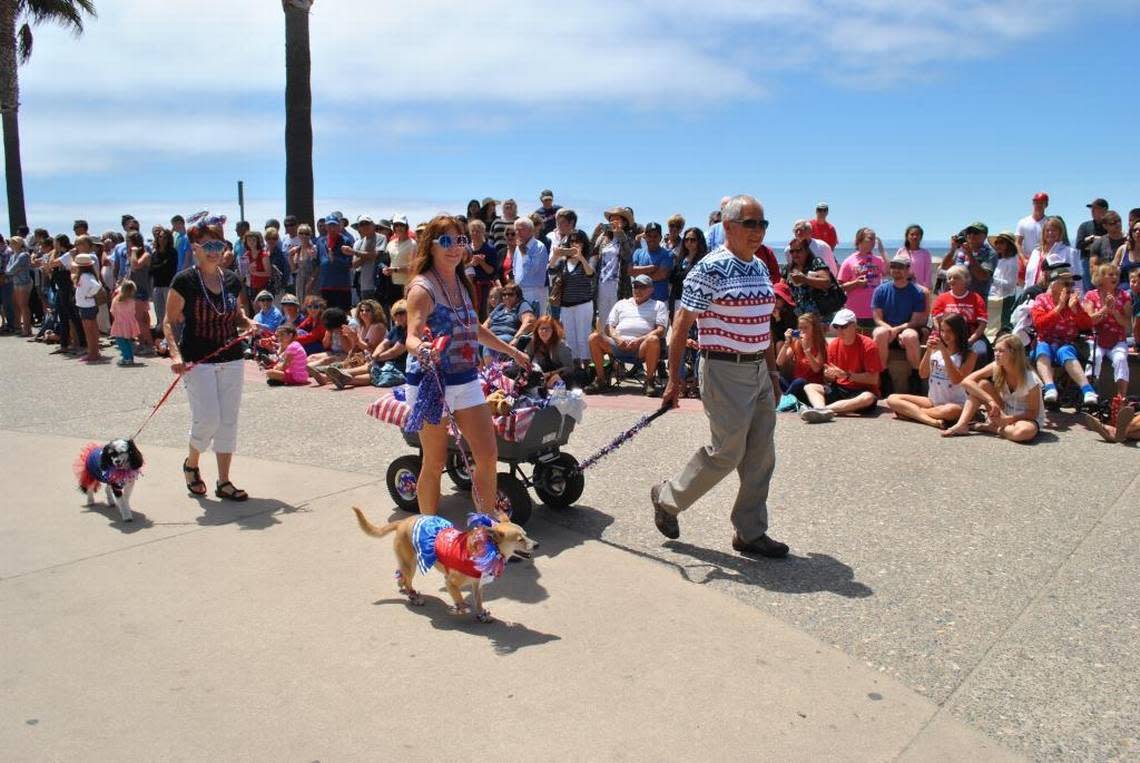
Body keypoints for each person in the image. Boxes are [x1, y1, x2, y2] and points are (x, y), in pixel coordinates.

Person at [652, 193, 787, 558]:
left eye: (762, 224)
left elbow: (764, 326)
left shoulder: (759, 267)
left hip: (758, 367)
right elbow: (680, 327)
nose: (758, 231)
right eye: (750, 224)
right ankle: (667, 498)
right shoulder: (709, 268)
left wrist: (773, 373)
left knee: (761, 454)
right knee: (728, 452)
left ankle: (750, 532)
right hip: (723, 368)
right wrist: (673, 379)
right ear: (728, 227)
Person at [402, 215, 530, 518]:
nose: (455, 247)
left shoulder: (461, 280)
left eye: (459, 240)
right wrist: (422, 348)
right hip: (431, 384)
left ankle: (485, 529)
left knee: (487, 456)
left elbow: (472, 327)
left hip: (466, 379)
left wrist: (510, 350)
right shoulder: (422, 288)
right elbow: (411, 334)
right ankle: (428, 530)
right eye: (446, 241)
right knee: (434, 462)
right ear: (430, 246)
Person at [164, 221, 255, 501]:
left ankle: (224, 481)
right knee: (207, 420)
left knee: (228, 421)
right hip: (198, 360)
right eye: (209, 246)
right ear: (195, 249)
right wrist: (176, 355)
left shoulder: (230, 279)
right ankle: (191, 464)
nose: (215, 251)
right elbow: (169, 323)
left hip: (232, 358)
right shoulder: (184, 281)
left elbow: (237, 316)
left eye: (219, 245)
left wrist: (250, 323)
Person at [942, 334, 1043, 442]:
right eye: (995, 350)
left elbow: (1033, 413)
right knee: (982, 386)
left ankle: (994, 428)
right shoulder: (996, 366)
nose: (996, 354)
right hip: (1003, 410)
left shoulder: (1030, 378)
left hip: (1024, 418)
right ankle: (961, 425)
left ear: (1013, 353)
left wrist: (1008, 419)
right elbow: (966, 381)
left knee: (1022, 433)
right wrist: (990, 401)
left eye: (1001, 351)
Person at [885, 313, 977, 429]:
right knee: (892, 399)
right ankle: (929, 420)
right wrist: (929, 351)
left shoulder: (970, 354)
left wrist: (944, 352)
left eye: (949, 331)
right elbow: (923, 374)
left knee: (950, 410)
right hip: (933, 401)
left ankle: (911, 413)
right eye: (942, 331)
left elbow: (957, 380)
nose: (945, 335)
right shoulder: (935, 350)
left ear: (958, 331)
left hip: (955, 404)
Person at [585, 274, 667, 396]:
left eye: (642, 287)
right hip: (618, 344)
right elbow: (609, 327)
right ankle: (600, 380)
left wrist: (639, 340)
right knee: (594, 338)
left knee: (654, 339)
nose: (637, 290)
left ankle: (649, 382)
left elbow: (661, 330)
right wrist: (617, 338)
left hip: (642, 347)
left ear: (651, 290)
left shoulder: (658, 305)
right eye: (635, 286)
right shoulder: (621, 304)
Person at [799, 308, 883, 422]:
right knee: (810, 387)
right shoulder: (833, 345)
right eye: (836, 326)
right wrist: (828, 375)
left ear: (854, 326)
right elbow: (829, 377)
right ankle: (822, 411)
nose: (839, 330)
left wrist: (847, 375)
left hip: (862, 390)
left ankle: (820, 410)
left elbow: (873, 379)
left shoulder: (868, 345)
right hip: (839, 388)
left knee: (868, 398)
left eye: (843, 326)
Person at [1030, 267, 1096, 406]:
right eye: (1066, 284)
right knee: (1043, 348)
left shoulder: (1074, 302)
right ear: (1054, 285)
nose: (1071, 288)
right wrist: (1059, 308)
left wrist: (1075, 311)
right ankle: (1050, 388)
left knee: (1064, 351)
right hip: (1045, 342)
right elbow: (1039, 324)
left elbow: (1087, 326)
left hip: (1068, 344)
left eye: (1072, 284)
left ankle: (1088, 391)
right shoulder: (1041, 300)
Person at [326, 299, 409, 389]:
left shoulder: (381, 327)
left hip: (400, 365)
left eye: (402, 313)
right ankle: (339, 376)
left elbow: (394, 352)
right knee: (371, 368)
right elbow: (383, 344)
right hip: (380, 360)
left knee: (373, 371)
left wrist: (376, 357)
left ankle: (343, 376)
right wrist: (375, 355)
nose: (364, 313)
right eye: (396, 314)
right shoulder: (396, 329)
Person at [547, 228, 595, 366]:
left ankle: (586, 368)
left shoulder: (588, 259)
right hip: (566, 305)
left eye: (578, 241)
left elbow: (590, 274)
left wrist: (581, 258)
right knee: (570, 339)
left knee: (583, 337)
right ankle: (574, 368)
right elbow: (550, 271)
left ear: (584, 244)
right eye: (572, 241)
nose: (575, 244)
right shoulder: (563, 262)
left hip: (583, 304)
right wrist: (556, 255)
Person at [1082, 263, 1130, 400]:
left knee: (1121, 359)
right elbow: (1089, 321)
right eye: (1111, 274)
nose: (1115, 277)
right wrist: (1105, 309)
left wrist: (1114, 311)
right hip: (1096, 339)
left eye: (1117, 274)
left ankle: (1122, 398)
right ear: (1101, 277)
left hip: (1117, 340)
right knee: (1095, 357)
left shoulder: (1124, 295)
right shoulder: (1091, 295)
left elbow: (1127, 324)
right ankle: (1090, 393)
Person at [871, 252, 926, 370]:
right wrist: (891, 330)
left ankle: (917, 373)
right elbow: (877, 318)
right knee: (879, 333)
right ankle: (882, 372)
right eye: (893, 266)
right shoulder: (880, 290)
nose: (896, 269)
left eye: (900, 267)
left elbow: (915, 321)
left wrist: (898, 329)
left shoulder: (917, 292)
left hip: (908, 329)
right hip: (887, 331)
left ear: (907, 269)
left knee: (909, 336)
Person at [593, 207, 636, 331]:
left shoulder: (629, 237)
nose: (613, 222)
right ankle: (603, 344)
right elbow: (592, 252)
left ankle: (616, 347)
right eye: (611, 220)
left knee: (618, 317)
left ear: (624, 222)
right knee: (603, 317)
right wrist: (595, 233)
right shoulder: (603, 238)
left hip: (619, 284)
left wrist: (620, 234)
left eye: (617, 220)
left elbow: (628, 255)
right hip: (602, 283)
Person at [931, 265, 989, 357]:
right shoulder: (941, 298)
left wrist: (971, 340)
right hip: (945, 333)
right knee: (934, 347)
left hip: (970, 334)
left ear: (966, 280)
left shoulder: (976, 298)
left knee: (980, 349)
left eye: (956, 277)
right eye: (949, 278)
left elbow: (982, 324)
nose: (951, 280)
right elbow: (936, 321)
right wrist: (944, 336)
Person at [837, 227, 887, 329]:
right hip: (855, 312)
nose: (873, 242)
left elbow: (889, 273)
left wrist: (882, 252)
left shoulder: (878, 260)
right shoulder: (849, 261)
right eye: (870, 238)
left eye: (874, 239)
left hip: (875, 311)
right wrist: (856, 283)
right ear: (859, 240)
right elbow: (839, 287)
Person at [776, 311, 826, 405]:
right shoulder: (796, 343)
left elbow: (816, 369)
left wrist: (806, 350)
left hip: (810, 388)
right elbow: (779, 362)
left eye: (806, 328)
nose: (802, 331)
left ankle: (784, 401)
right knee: (777, 378)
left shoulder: (820, 345)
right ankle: (788, 399)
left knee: (800, 381)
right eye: (800, 328)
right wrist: (787, 344)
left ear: (814, 329)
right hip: (795, 385)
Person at [782, 236, 837, 319]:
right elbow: (781, 288)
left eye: (798, 250)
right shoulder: (788, 269)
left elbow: (826, 282)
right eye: (792, 251)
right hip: (798, 318)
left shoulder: (816, 263)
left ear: (807, 251)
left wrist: (804, 279)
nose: (794, 254)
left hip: (819, 317)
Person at [940, 222, 995, 299]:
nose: (972, 235)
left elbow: (983, 276)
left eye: (976, 233)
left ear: (985, 236)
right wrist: (952, 249)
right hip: (955, 298)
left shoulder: (990, 253)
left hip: (976, 299)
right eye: (969, 232)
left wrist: (970, 255)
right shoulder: (960, 250)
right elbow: (945, 267)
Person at [1025, 216, 1080, 291]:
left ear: (1060, 232)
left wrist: (1077, 297)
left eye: (1054, 230)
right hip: (1033, 296)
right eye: (1047, 230)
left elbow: (1076, 278)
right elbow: (1028, 278)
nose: (1050, 233)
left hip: (1057, 296)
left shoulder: (1069, 252)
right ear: (1043, 233)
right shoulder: (1035, 253)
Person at [509, 218, 549, 316]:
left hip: (534, 291)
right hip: (519, 291)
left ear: (531, 230)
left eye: (521, 229)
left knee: (535, 322)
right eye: (516, 230)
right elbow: (515, 269)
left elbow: (533, 270)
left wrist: (524, 254)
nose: (518, 233)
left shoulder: (539, 247)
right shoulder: (519, 247)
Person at [125, 231, 155, 355]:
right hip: (133, 290)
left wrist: (133, 252)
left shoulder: (146, 255)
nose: (127, 244)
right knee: (137, 318)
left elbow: (135, 266)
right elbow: (129, 271)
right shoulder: (131, 255)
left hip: (141, 290)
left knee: (139, 319)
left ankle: (149, 345)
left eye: (129, 242)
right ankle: (142, 342)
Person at [483, 281, 535, 352]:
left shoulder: (521, 305)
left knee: (489, 346)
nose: (506, 297)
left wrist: (516, 339)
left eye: (510, 294)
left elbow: (529, 321)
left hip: (506, 337)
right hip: (492, 336)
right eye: (504, 294)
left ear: (517, 296)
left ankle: (489, 363)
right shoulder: (500, 307)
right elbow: (486, 324)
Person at [986, 231, 1021, 338]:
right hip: (994, 299)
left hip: (1004, 301)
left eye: (1002, 242)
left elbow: (1010, 285)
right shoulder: (998, 260)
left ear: (1009, 245)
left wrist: (992, 278)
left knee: (1001, 330)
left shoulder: (1012, 262)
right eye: (997, 242)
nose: (998, 245)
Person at [72, 250, 105, 362]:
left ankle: (93, 353)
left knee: (89, 331)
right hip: (87, 305)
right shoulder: (88, 275)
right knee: (92, 329)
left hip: (87, 306)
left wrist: (89, 295)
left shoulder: (85, 276)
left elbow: (97, 286)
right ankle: (94, 351)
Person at [316, 215, 353, 310]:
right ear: (325, 227)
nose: (332, 228)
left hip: (341, 286)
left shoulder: (345, 241)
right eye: (329, 225)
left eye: (334, 225)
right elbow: (317, 263)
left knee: (342, 316)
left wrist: (335, 259)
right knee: (327, 317)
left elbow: (349, 264)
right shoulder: (320, 241)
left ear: (338, 226)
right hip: (325, 286)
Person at [527, 315, 575, 388]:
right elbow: (528, 360)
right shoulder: (532, 342)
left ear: (553, 330)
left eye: (548, 329)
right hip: (541, 372)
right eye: (542, 329)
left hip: (560, 373)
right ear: (537, 330)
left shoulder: (561, 345)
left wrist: (550, 374)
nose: (544, 331)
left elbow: (569, 367)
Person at [630, 222, 673, 303]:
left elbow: (660, 275)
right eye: (649, 236)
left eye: (655, 236)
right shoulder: (638, 252)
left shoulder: (668, 254)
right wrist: (651, 268)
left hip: (660, 301)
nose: (652, 239)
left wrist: (639, 274)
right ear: (645, 237)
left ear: (660, 238)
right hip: (640, 301)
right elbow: (631, 271)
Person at [670, 227, 707, 318]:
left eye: (693, 240)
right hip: (678, 299)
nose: (689, 242)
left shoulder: (705, 260)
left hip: (695, 303)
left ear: (699, 241)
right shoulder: (680, 258)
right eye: (686, 239)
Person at [467, 219, 500, 319]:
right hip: (468, 286)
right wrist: (471, 264)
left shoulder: (490, 249)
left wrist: (481, 262)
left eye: (478, 231)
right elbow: (459, 267)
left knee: (484, 314)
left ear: (483, 232)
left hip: (484, 287)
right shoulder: (466, 249)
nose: (475, 233)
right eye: (472, 230)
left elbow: (492, 271)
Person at [349, 216, 385, 303]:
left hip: (379, 284)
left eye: (367, 223)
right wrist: (367, 254)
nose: (365, 226)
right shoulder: (358, 243)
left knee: (381, 314)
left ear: (373, 225)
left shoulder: (381, 238)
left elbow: (375, 256)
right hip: (364, 285)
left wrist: (355, 252)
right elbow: (354, 264)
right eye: (361, 224)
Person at [1075, 198, 1109, 286]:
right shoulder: (1084, 226)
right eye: (1092, 209)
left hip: (1106, 261)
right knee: (1089, 290)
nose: (1092, 211)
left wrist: (1093, 240)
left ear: (1104, 210)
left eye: (1096, 208)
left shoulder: (1110, 226)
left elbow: (1112, 242)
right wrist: (1093, 240)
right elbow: (1079, 245)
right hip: (1087, 263)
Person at [383, 214, 415, 307]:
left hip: (406, 284)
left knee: (406, 313)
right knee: (394, 313)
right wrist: (385, 269)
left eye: (401, 225)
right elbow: (385, 261)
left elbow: (413, 268)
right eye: (396, 225)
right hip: (391, 283)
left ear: (406, 227)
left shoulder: (412, 244)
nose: (398, 228)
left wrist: (395, 269)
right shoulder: (390, 244)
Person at [150, 226, 177, 331]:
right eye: (160, 237)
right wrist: (159, 267)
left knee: (169, 314)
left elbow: (168, 268)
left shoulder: (172, 252)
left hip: (168, 286)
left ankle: (172, 337)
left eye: (165, 237)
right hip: (157, 286)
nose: (162, 239)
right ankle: (163, 336)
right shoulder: (155, 253)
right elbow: (151, 270)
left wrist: (158, 267)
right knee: (159, 313)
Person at [4, 236, 33, 336]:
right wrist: (11, 271)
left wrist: (12, 271)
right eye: (12, 243)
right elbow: (8, 269)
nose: (12, 245)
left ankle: (27, 329)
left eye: (14, 243)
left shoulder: (23, 255)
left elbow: (11, 270)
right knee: (16, 305)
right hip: (16, 282)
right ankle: (18, 327)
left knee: (23, 305)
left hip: (24, 282)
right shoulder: (13, 256)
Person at [110, 279, 141, 366]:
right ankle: (130, 357)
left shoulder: (116, 300)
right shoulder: (132, 301)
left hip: (120, 323)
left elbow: (112, 311)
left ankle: (126, 358)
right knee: (128, 341)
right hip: (130, 323)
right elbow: (133, 312)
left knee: (121, 341)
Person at [898, 224, 933, 291]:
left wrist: (927, 289)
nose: (915, 237)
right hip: (901, 288)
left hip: (919, 290)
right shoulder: (901, 251)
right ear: (907, 236)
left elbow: (928, 273)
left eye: (917, 234)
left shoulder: (925, 253)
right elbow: (895, 269)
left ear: (921, 237)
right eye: (912, 234)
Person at [1015, 192, 1049, 261]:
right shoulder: (1023, 222)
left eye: (1041, 203)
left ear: (1046, 205)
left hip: (1043, 259)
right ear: (1033, 204)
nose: (1038, 205)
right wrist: (1023, 259)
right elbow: (1018, 243)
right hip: (1026, 259)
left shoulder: (1048, 223)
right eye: (1036, 202)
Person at [289, 223, 317, 302]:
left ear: (310, 235)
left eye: (306, 233)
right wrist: (290, 256)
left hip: (311, 280)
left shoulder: (313, 248)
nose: (304, 236)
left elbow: (317, 267)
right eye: (301, 233)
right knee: (300, 304)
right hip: (300, 280)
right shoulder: (297, 250)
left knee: (311, 303)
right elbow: (293, 269)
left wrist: (310, 282)